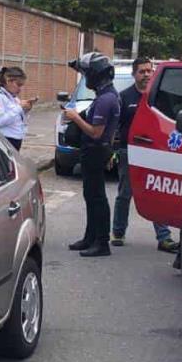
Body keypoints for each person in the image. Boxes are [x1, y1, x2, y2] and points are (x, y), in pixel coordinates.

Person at [112, 57, 177, 253]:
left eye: (149, 71)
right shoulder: (124, 97)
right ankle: (118, 233)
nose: (146, 74)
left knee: (155, 194)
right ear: (134, 75)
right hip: (129, 152)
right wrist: (114, 151)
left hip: (154, 153)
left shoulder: (160, 97)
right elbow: (116, 127)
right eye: (142, 71)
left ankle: (164, 237)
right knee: (125, 194)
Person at [64, 53, 120, 257]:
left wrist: (75, 117)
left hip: (95, 151)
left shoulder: (106, 99)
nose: (85, 78)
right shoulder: (106, 96)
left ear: (96, 75)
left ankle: (101, 242)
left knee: (97, 197)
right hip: (95, 151)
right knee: (91, 195)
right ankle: (90, 237)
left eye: (87, 74)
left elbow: (95, 133)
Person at [0, 66, 35, 150]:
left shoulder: (13, 98)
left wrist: (25, 110)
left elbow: (17, 119)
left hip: (16, 139)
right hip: (6, 139)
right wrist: (19, 107)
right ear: (9, 81)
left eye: (22, 85)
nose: (20, 89)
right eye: (18, 85)